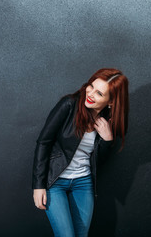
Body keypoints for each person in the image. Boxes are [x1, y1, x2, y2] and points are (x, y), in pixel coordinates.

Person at [32, 68, 129, 237]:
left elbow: (98, 162)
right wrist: (38, 185)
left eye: (99, 93)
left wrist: (107, 141)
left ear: (111, 102)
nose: (90, 93)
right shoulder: (69, 104)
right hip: (55, 181)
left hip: (83, 183)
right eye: (91, 86)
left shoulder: (107, 122)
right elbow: (43, 142)